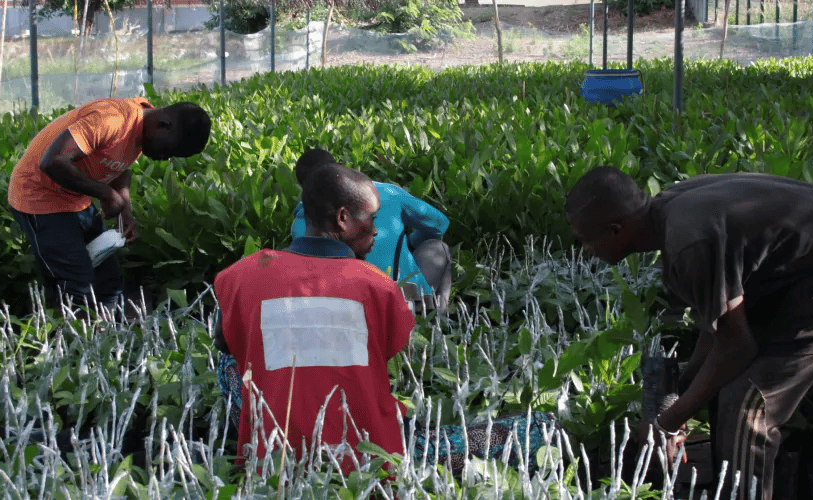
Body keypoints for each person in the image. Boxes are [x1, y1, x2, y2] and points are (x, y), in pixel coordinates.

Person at [564, 167, 813, 500]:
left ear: (615, 230)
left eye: (585, 241)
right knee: (722, 385)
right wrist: (680, 396)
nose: (586, 251)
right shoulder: (672, 212)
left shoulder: (687, 242)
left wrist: (668, 421)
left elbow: (736, 348)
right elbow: (719, 334)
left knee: (749, 402)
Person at [213, 163, 560, 476]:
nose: (378, 231)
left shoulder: (240, 275)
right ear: (343, 219)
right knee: (540, 429)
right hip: (370, 456)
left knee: (227, 363)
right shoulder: (376, 286)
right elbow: (393, 353)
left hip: (274, 459)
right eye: (372, 219)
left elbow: (228, 349)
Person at [7, 97, 211, 317]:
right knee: (76, 286)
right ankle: (76, 343)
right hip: (39, 197)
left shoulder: (144, 128)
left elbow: (121, 163)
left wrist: (124, 207)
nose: (165, 158)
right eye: (169, 151)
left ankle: (108, 338)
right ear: (164, 125)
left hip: (74, 198)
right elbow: (53, 161)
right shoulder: (111, 120)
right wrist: (106, 194)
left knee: (109, 279)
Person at [290, 148, 453, 315]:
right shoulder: (387, 192)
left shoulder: (302, 224)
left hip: (351, 307)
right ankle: (438, 319)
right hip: (406, 297)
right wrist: (410, 243)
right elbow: (439, 223)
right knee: (439, 249)